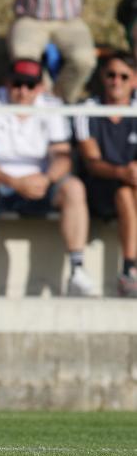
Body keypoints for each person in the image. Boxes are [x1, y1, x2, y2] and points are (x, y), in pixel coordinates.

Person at [0, 58, 94, 297]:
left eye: (30, 85)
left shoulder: (52, 106)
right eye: (17, 84)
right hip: (0, 184)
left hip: (40, 185)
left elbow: (63, 157)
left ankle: (78, 270)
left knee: (74, 187)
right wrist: (14, 182)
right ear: (6, 83)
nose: (23, 91)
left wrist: (46, 179)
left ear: (40, 87)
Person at [74, 53, 137, 297]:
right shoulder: (87, 110)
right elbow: (92, 162)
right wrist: (123, 171)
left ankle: (129, 268)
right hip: (98, 188)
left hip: (131, 186)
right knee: (124, 191)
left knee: (127, 192)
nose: (116, 81)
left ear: (134, 80)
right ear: (102, 77)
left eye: (124, 76)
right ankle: (130, 270)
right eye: (111, 75)